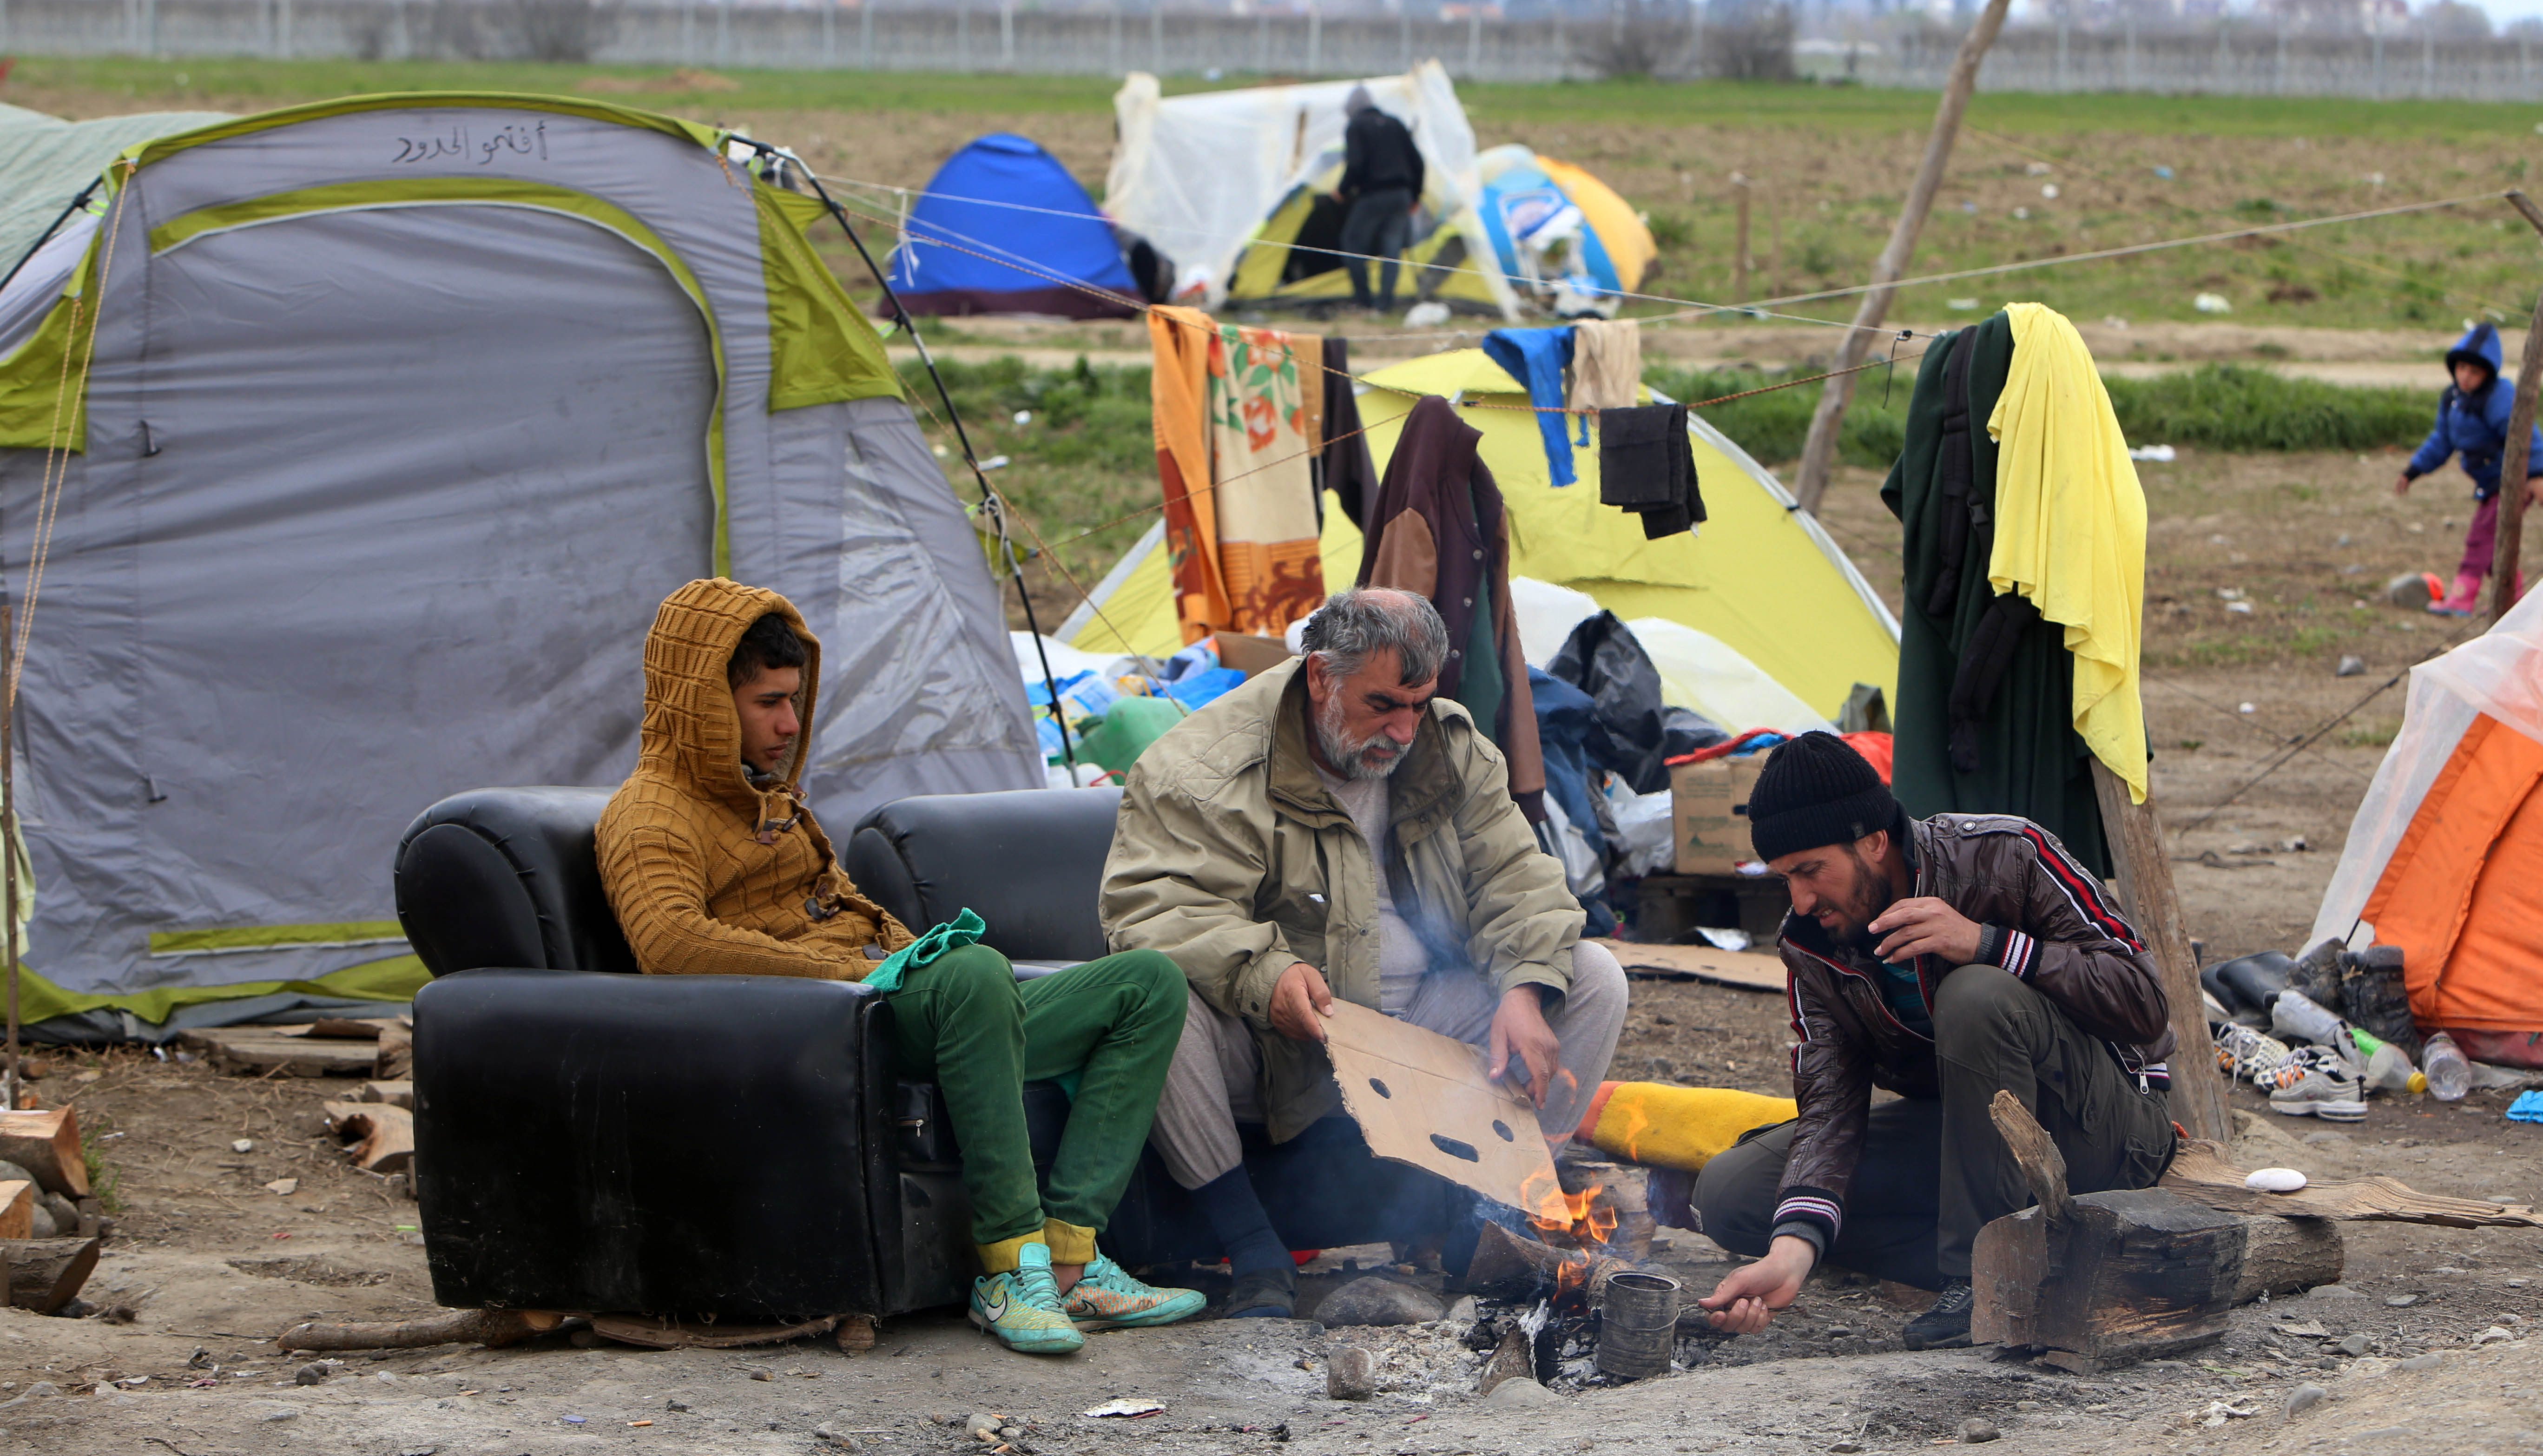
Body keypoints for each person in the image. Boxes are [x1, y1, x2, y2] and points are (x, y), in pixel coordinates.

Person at [595, 577, 1202, 1356]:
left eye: (794, 700)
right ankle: (1006, 1267)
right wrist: (856, 971)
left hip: (888, 1007)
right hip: (824, 1029)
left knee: (1146, 981)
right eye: (767, 703)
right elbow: (668, 943)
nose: (789, 723)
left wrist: (907, 956)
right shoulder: (649, 811)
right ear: (703, 701)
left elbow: (849, 909)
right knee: (975, 970)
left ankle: (1072, 1258)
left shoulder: (770, 800)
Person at [1100, 587, 1627, 1318]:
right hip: (1277, 1036)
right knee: (1158, 1000)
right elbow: (1154, 909)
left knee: (1593, 976)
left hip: (1418, 1021)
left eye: (1419, 703)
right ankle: (1253, 1250)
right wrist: (1267, 975)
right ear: (1321, 676)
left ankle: (1493, 1226)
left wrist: (1525, 987)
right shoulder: (1205, 766)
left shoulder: (1448, 744)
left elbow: (1521, 879)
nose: (1405, 728)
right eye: (1382, 705)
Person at [1690, 732, 2176, 1351]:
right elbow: (1830, 1106)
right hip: (1963, 1142)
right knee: (1734, 1195)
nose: (1802, 900)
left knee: (1975, 994)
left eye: (1812, 871)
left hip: (2102, 1131)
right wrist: (1792, 1252)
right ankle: (2036, 1261)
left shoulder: (2007, 853)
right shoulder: (1811, 942)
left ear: (1874, 841)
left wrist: (1989, 945)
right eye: (1785, 877)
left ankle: (1979, 1282)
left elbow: (2146, 1005)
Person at [2395, 319, 2543, 615]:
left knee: (2480, 539)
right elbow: (2441, 440)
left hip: (2512, 481)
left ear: (2487, 373)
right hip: (2489, 484)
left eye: (2474, 371)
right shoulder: (2453, 400)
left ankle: (2462, 599)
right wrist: (2413, 471)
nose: (2465, 376)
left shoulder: (2499, 395)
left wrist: (2537, 475)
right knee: (2495, 546)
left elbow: (2528, 436)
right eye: (2462, 368)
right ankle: (2516, 605)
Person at [1335, 86, 1425, 313]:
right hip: (1401, 197)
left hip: (1374, 196)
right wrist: (1415, 196)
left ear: (1352, 110)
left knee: (1352, 243)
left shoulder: (1356, 127)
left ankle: (1363, 300)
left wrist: (1342, 191)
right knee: (1392, 250)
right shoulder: (1395, 123)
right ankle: (1384, 305)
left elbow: (1355, 165)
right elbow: (1418, 162)